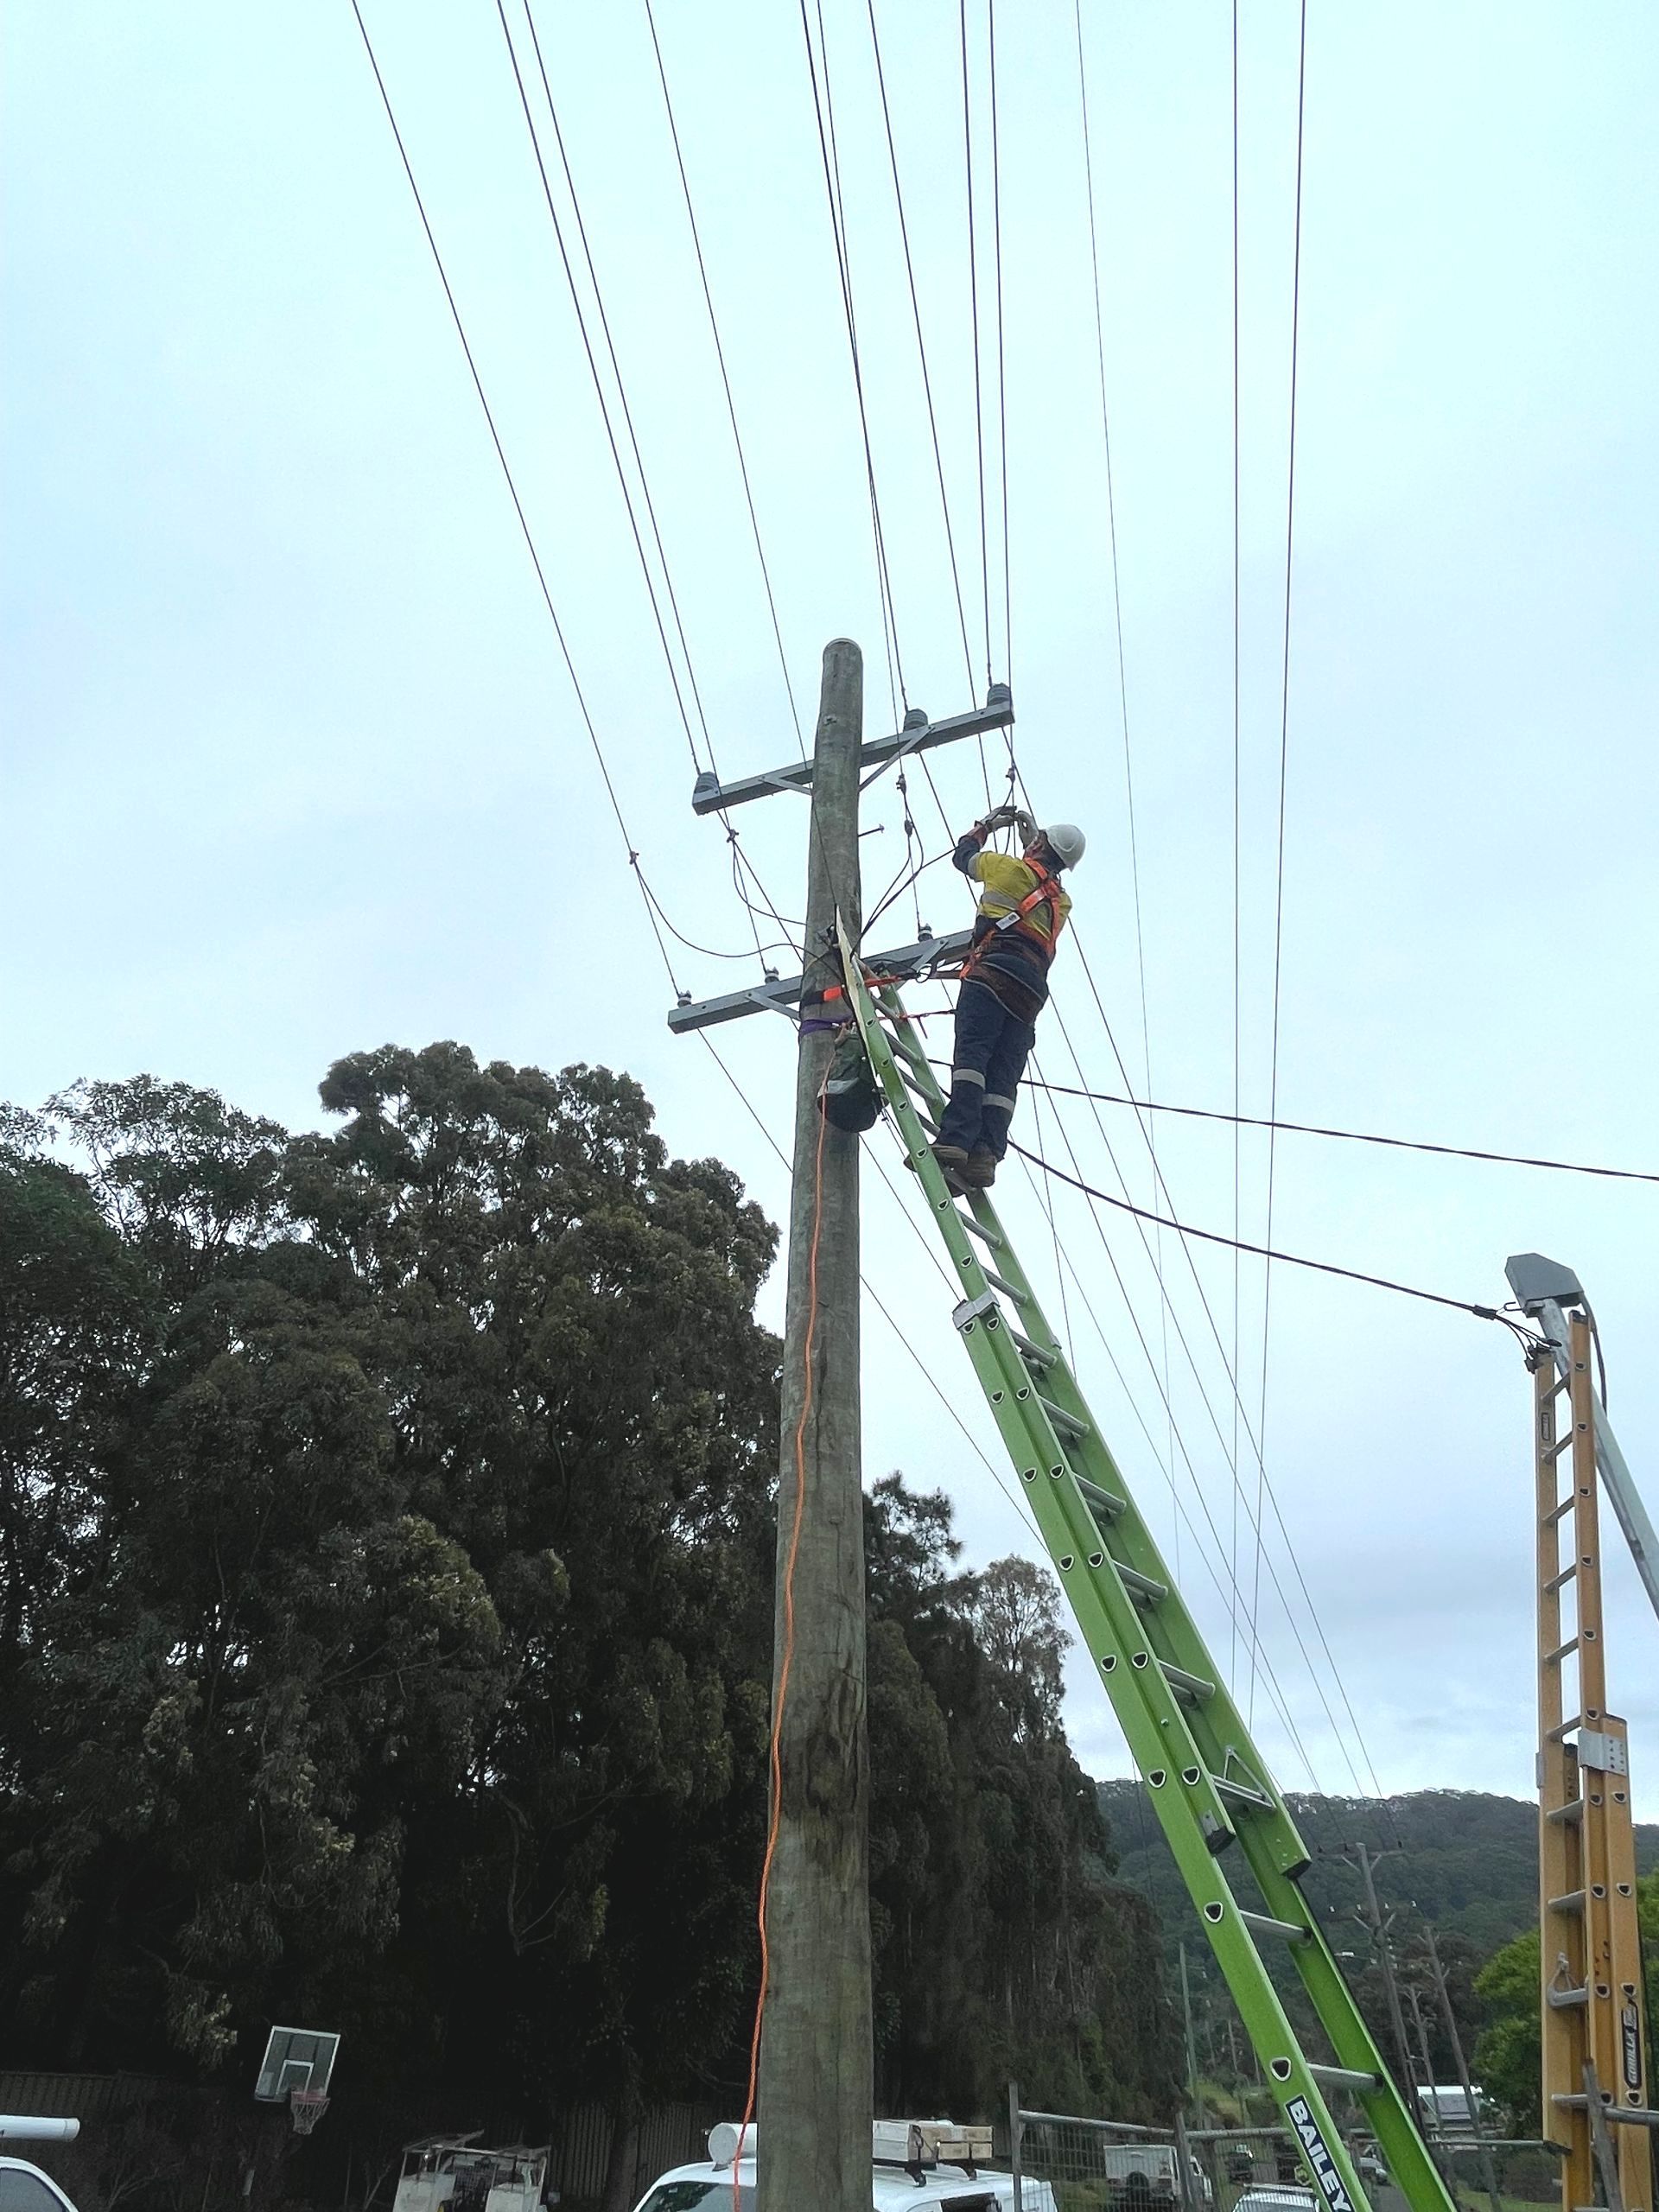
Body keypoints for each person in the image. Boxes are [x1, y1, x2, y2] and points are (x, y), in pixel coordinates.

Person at [932, 803, 1084, 1188]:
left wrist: (986, 824)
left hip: (992, 974)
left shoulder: (1008, 869)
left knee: (973, 1057)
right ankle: (986, 1155)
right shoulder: (1061, 903)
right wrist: (1036, 840)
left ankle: (956, 1140)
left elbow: (962, 857)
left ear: (1040, 845)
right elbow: (1041, 877)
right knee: (1003, 1075)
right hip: (1031, 992)